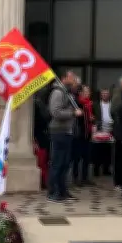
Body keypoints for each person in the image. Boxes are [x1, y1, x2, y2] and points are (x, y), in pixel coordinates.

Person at [47, 72, 81, 203]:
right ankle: (54, 191)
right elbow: (55, 111)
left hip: (67, 131)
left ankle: (63, 191)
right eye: (71, 78)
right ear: (64, 78)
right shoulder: (58, 93)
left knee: (65, 163)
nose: (74, 81)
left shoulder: (67, 93)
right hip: (59, 131)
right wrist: (72, 113)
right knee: (58, 162)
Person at [71, 84, 94, 186]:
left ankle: (85, 177)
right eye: (86, 91)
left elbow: (92, 116)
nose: (88, 93)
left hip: (88, 133)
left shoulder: (90, 104)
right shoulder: (77, 103)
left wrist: (93, 119)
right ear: (81, 93)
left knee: (87, 157)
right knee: (77, 157)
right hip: (79, 133)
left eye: (88, 91)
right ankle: (75, 178)